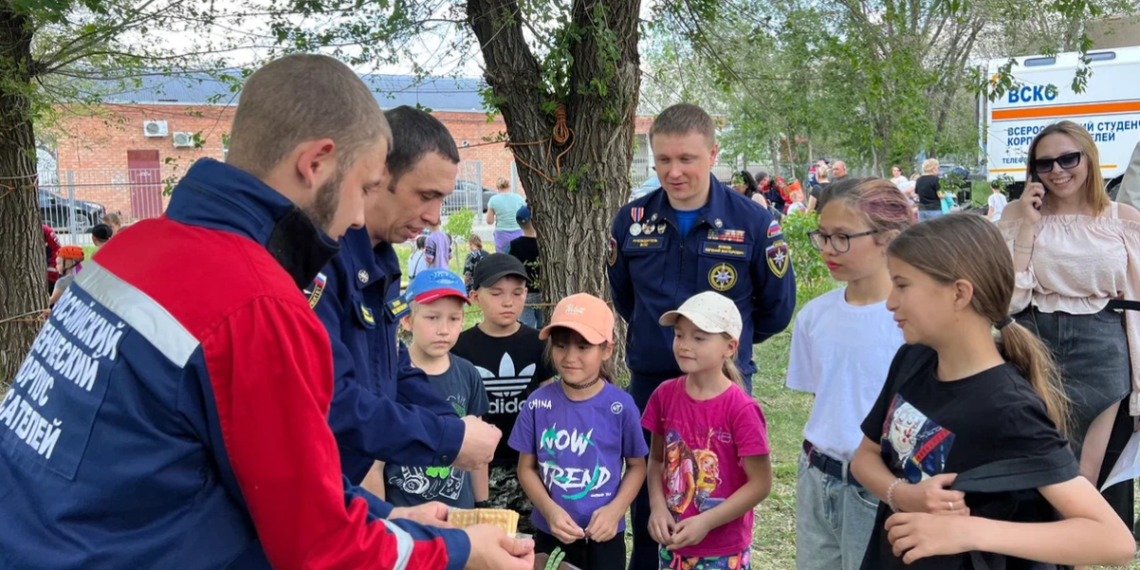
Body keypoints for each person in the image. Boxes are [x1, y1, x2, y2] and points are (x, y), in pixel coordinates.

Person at [0, 53, 533, 570]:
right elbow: (321, 549)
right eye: (365, 188)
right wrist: (463, 552)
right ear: (316, 163)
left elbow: (253, 470)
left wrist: (386, 515)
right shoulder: (256, 304)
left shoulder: (129, 250)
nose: (355, 218)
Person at [849, 214, 1135, 569]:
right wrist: (904, 495)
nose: (890, 302)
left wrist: (968, 531)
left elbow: (1113, 541)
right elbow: (864, 456)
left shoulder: (1008, 407)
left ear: (959, 293)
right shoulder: (914, 359)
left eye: (903, 285)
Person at [609, 103, 794, 570]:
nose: (674, 172)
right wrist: (662, 343)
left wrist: (724, 352)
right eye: (664, 160)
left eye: (687, 159)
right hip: (653, 381)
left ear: (713, 154)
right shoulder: (631, 221)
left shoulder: (754, 223)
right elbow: (627, 301)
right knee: (652, 494)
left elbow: (775, 310)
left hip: (722, 387)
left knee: (716, 490)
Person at [312, 106, 502, 495]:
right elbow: (331, 400)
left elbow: (391, 367)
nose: (434, 217)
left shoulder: (380, 259)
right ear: (377, 175)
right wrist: (447, 438)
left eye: (442, 199)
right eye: (426, 196)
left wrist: (454, 424)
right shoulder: (322, 260)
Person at [999, 120, 1140, 525]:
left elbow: (1136, 305)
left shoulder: (1121, 218)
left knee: (1083, 479)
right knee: (1026, 466)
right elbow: (1007, 299)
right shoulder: (1017, 213)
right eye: (1045, 163)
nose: (1058, 170)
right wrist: (1027, 223)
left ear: (1088, 159)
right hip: (1029, 341)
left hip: (1102, 345)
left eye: (1068, 158)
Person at [788, 178, 912, 570]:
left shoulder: (911, 320)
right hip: (816, 475)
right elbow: (826, 400)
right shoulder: (813, 316)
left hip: (881, 488)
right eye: (822, 236)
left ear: (888, 238)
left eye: (841, 237)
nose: (827, 249)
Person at [509, 293, 648, 570]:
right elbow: (526, 468)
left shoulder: (621, 406)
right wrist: (549, 511)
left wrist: (615, 510)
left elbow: (637, 467)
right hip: (553, 533)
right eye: (560, 346)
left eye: (584, 347)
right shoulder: (538, 404)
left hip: (605, 534)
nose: (570, 357)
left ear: (607, 349)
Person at [644, 291, 772, 570]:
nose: (685, 345)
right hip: (673, 546)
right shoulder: (664, 396)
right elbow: (656, 461)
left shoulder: (742, 410)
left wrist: (706, 521)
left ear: (730, 347)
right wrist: (658, 507)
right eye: (679, 335)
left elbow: (760, 483)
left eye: (699, 337)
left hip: (723, 552)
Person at [366, 269, 490, 510]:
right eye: (432, 318)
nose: (443, 329)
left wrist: (482, 505)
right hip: (405, 521)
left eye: (453, 319)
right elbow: (374, 464)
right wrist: (381, 524)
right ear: (407, 320)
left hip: (459, 519)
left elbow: (477, 449)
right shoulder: (386, 377)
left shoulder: (468, 374)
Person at [452, 253, 557, 534]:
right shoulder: (460, 347)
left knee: (531, 545)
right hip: (480, 465)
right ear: (474, 297)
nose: (508, 301)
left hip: (529, 462)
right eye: (496, 293)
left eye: (517, 292)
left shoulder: (538, 343)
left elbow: (547, 403)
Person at [508, 205, 543, 329]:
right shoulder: (544, 244)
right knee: (543, 325)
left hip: (524, 292)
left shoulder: (514, 245)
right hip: (543, 292)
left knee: (526, 327)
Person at [487, 176, 527, 252]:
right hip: (518, 232)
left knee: (502, 259)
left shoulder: (493, 200)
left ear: (497, 188)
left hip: (501, 234)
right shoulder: (518, 198)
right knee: (519, 257)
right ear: (509, 186)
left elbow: (489, 221)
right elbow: (525, 215)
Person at [43, 223, 61, 293]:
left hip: (52, 274)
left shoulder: (45, 230)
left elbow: (56, 249)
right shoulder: (46, 229)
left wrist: (52, 271)